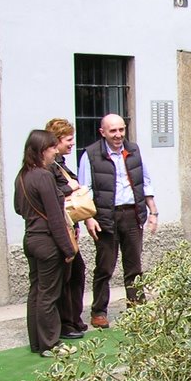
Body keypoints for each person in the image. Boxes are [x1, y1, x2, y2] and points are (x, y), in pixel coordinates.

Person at [77, 113, 159, 329]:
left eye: (121, 130)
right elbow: (85, 190)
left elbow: (145, 181)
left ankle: (137, 308)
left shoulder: (133, 151)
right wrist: (89, 219)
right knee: (105, 267)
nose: (118, 135)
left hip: (132, 214)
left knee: (134, 266)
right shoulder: (90, 155)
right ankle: (99, 312)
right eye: (113, 131)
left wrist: (153, 212)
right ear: (102, 132)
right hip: (106, 216)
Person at [14, 130, 77, 356]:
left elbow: (18, 208)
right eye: (52, 148)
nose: (55, 152)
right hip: (47, 241)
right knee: (49, 294)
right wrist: (68, 249)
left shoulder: (22, 175)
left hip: (30, 238)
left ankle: (37, 341)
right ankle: (50, 343)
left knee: (36, 292)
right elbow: (55, 217)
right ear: (43, 151)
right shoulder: (43, 176)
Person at [45, 118, 86, 339]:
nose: (72, 143)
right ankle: (66, 323)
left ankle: (74, 320)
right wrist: (69, 187)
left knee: (76, 273)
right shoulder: (49, 167)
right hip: (60, 231)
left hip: (71, 226)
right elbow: (53, 193)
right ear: (57, 140)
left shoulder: (60, 163)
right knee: (68, 276)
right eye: (69, 139)